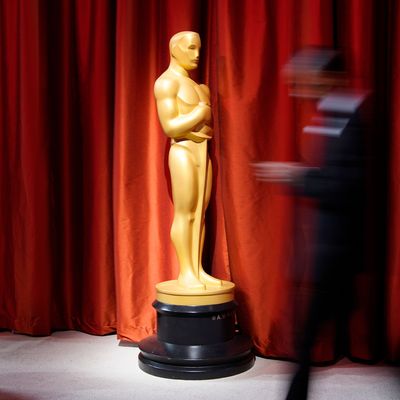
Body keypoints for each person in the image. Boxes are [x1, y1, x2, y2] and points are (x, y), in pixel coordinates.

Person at [253, 48, 368, 400]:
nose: (296, 90)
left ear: (326, 79)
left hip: (338, 249)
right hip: (328, 247)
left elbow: (344, 184)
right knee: (307, 333)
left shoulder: (350, 116)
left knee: (305, 337)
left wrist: (294, 175)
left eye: (303, 81)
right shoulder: (332, 113)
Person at [154, 31, 222, 290]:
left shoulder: (198, 87)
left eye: (199, 49)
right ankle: (187, 273)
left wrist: (199, 124)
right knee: (185, 213)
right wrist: (200, 113)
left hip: (200, 151)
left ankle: (198, 269)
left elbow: (208, 130)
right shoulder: (166, 83)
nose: (196, 55)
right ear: (174, 49)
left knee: (199, 213)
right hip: (182, 150)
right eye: (191, 48)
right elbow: (170, 127)